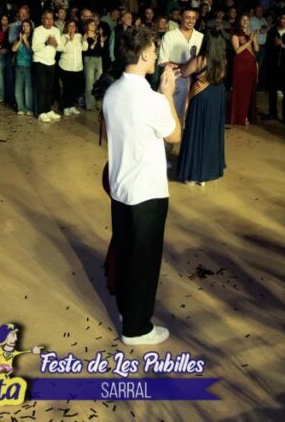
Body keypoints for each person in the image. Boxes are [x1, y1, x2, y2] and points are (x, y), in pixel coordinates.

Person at [103, 27, 181, 346]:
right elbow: (175, 136)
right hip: (146, 192)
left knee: (126, 253)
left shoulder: (112, 92)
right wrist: (168, 95)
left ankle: (127, 311)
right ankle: (136, 328)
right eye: (154, 49)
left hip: (120, 188)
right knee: (144, 261)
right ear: (145, 54)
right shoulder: (152, 100)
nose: (156, 54)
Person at [175, 37, 227, 185]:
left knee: (196, 131)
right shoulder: (223, 60)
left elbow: (184, 72)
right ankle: (208, 171)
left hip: (202, 96)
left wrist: (190, 59)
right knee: (211, 132)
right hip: (217, 95)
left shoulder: (200, 59)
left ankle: (193, 174)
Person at [157, 6, 203, 122]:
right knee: (171, 115)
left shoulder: (201, 37)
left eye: (193, 18)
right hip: (175, 79)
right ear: (181, 18)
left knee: (190, 118)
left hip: (195, 81)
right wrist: (185, 68)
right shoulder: (170, 36)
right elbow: (162, 61)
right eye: (187, 17)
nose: (191, 21)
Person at [228, 13, 259, 126]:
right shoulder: (235, 35)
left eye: (247, 20)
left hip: (251, 65)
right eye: (243, 20)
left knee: (249, 92)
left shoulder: (251, 33)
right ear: (239, 21)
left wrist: (254, 39)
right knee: (241, 92)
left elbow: (256, 49)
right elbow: (237, 51)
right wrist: (249, 41)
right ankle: (239, 116)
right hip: (240, 66)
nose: (245, 22)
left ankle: (246, 114)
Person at [32, 10, 62, 122]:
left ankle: (48, 110)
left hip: (51, 62)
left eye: (51, 18)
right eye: (47, 18)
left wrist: (55, 44)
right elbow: (34, 48)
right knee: (42, 87)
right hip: (40, 61)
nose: (49, 21)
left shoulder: (56, 30)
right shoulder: (37, 30)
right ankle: (41, 112)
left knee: (49, 88)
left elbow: (60, 48)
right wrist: (46, 43)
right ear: (42, 19)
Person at [58, 19, 83, 116]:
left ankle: (71, 106)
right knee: (67, 88)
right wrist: (70, 40)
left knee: (74, 88)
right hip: (66, 66)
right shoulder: (63, 37)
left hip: (77, 66)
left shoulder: (79, 36)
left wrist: (84, 41)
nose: (72, 28)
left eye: (74, 26)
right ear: (67, 27)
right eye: (70, 26)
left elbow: (84, 48)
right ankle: (65, 107)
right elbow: (62, 49)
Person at [11, 20, 35, 116]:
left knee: (28, 89)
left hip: (29, 66)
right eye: (23, 26)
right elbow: (13, 49)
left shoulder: (33, 38)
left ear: (31, 27)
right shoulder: (19, 37)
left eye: (27, 25)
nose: (25, 28)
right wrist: (20, 40)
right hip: (18, 66)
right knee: (18, 88)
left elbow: (31, 51)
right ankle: (20, 108)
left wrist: (25, 40)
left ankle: (29, 108)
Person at [82, 19, 106, 111]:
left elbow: (102, 48)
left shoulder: (98, 35)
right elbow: (86, 50)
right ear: (87, 26)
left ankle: (99, 103)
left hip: (99, 59)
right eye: (91, 24)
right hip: (89, 59)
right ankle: (90, 104)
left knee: (99, 81)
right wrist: (93, 41)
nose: (93, 26)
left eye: (94, 25)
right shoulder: (85, 36)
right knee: (89, 83)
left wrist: (102, 42)